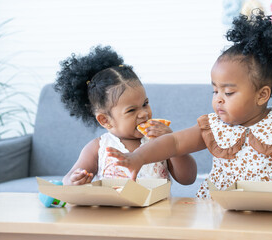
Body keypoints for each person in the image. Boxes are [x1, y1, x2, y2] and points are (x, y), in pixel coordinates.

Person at [106, 12, 272, 206]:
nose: (218, 99)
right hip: (224, 210)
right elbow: (173, 143)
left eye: (228, 92)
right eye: (215, 90)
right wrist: (138, 157)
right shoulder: (213, 126)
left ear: (262, 95)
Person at [54, 45, 197, 186]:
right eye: (131, 110)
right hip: (112, 209)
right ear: (105, 120)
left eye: (145, 103)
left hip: (158, 209)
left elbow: (188, 179)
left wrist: (172, 144)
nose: (144, 113)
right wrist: (74, 180)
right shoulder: (98, 147)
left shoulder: (160, 142)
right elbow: (67, 179)